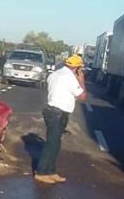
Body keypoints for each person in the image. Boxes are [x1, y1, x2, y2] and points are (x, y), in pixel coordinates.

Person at [35, 54, 87, 184]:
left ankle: (51, 171)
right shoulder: (70, 78)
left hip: (51, 111)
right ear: (77, 67)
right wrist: (81, 80)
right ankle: (41, 172)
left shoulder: (55, 74)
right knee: (52, 143)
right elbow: (82, 96)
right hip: (58, 113)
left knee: (55, 143)